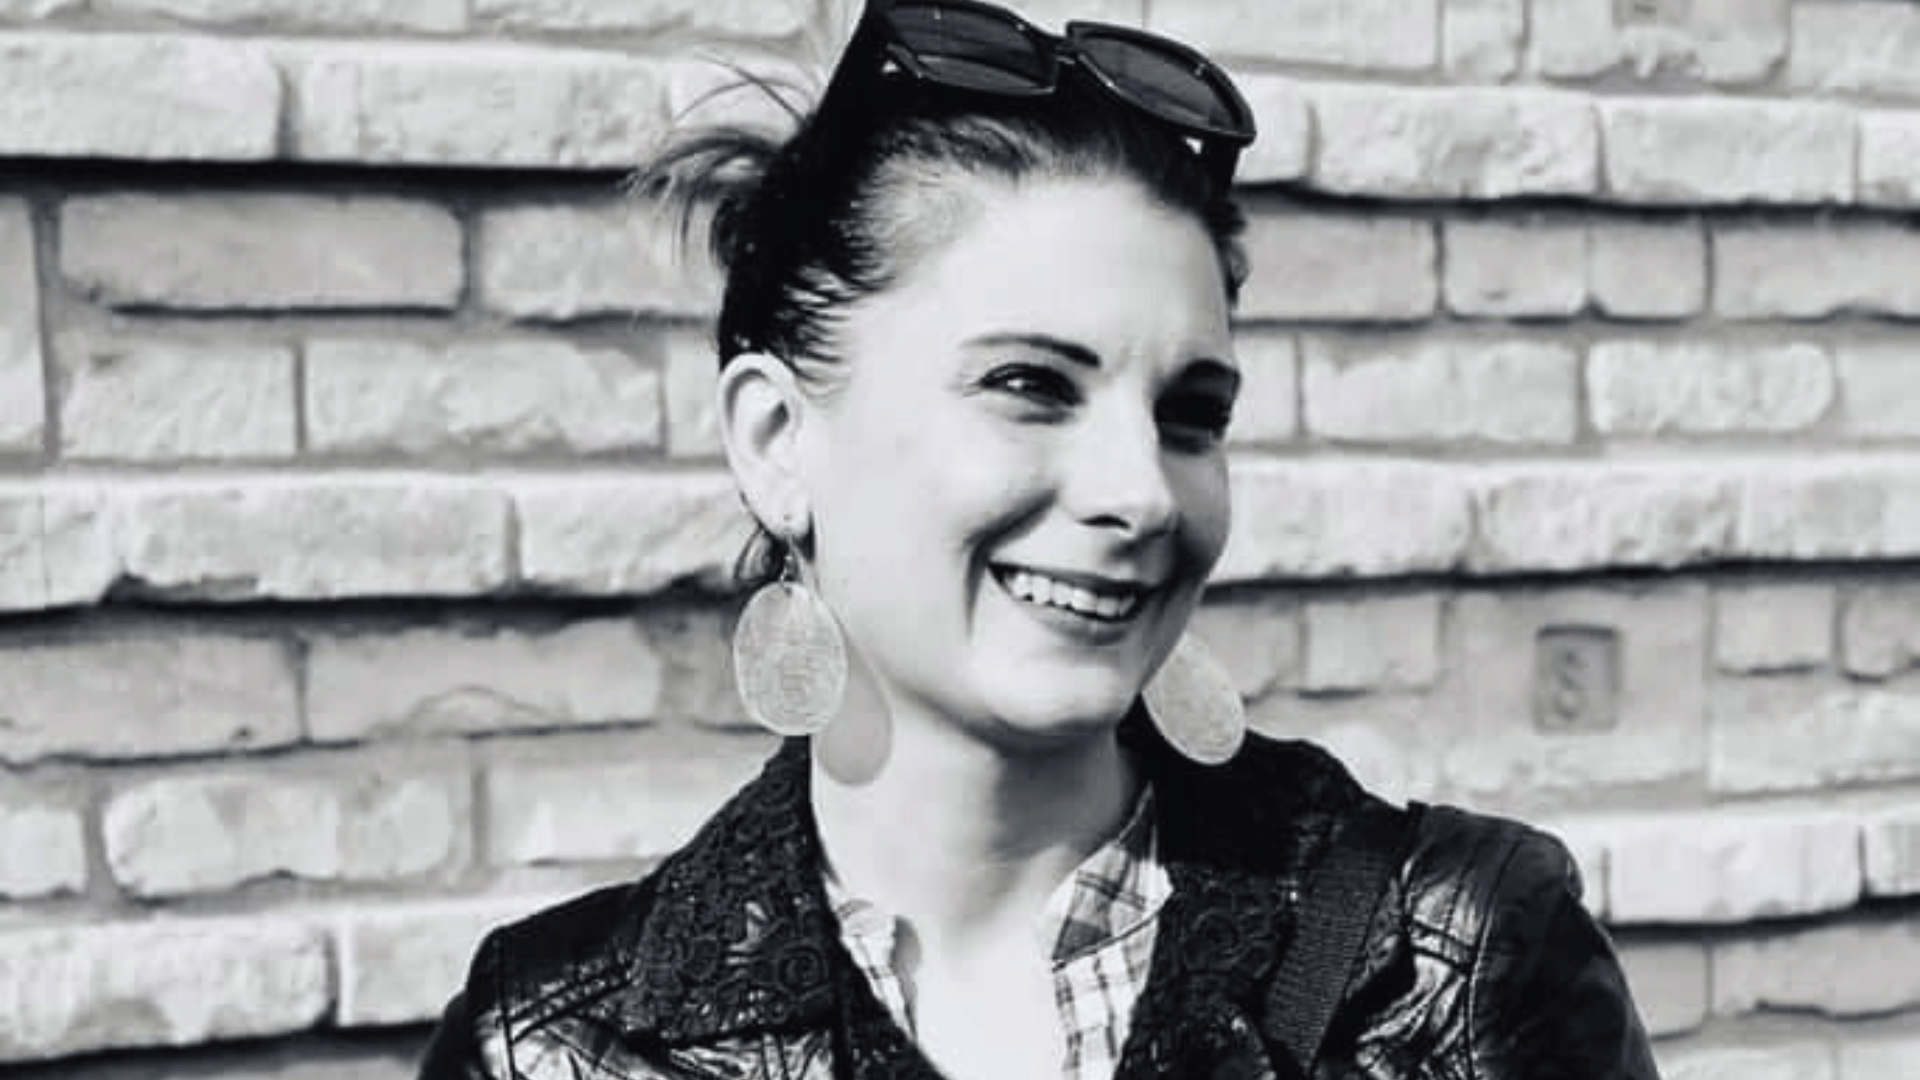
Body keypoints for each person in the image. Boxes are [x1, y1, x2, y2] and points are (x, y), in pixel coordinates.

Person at [419, 2, 1660, 1078]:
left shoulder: (1456, 959)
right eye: (1030, 385)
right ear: (778, 439)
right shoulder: (548, 1047)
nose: (1144, 493)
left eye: (1190, 416)